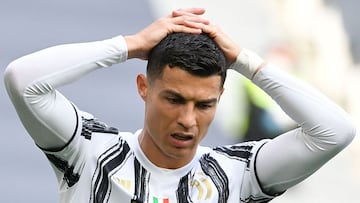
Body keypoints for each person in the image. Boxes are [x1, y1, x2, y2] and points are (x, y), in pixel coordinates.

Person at [4, 8, 356, 203]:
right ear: (144, 87)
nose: (188, 120)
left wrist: (246, 62)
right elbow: (22, 79)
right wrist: (130, 44)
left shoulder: (235, 174)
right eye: (174, 99)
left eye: (204, 105)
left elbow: (336, 131)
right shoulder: (90, 153)